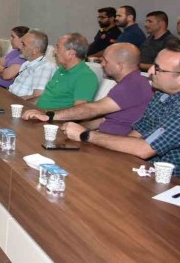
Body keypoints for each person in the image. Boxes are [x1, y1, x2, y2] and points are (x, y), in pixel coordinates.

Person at [61, 43, 180, 176]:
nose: (150, 71)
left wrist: (86, 135)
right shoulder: (161, 95)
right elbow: (137, 133)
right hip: (143, 169)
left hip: (169, 180)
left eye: (158, 68)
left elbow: (145, 149)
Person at [23, 43, 153, 135]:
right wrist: (70, 128)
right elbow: (102, 119)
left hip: (113, 148)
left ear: (120, 65)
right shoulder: (129, 82)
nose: (102, 64)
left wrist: (49, 116)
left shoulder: (133, 85)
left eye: (106, 61)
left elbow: (92, 109)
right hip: (101, 138)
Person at [36, 33, 99, 110]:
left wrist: (46, 114)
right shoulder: (61, 69)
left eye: (58, 47)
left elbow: (79, 111)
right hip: (37, 112)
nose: (54, 51)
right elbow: (46, 97)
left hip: (50, 116)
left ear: (71, 54)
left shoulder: (86, 77)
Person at [9, 30, 57, 100]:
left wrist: (12, 100)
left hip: (20, 104)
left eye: (23, 44)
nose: (20, 47)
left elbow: (37, 97)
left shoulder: (45, 67)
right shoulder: (27, 63)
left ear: (35, 50)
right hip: (10, 98)